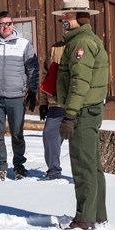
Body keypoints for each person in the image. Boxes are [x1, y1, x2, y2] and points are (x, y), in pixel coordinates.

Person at [53, 0, 109, 230]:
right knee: (92, 164)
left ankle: (85, 219)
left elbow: (79, 82)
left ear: (80, 17)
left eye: (68, 16)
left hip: (83, 111)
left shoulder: (81, 44)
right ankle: (97, 215)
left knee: (83, 165)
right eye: (63, 16)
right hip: (89, 109)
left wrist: (70, 115)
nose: (63, 20)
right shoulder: (83, 40)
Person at [0, 11, 39, 181]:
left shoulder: (24, 45)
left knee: (17, 133)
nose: (6, 27)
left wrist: (32, 91)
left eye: (9, 23)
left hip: (16, 96)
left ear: (13, 25)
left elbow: (32, 69)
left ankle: (19, 167)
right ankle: (1, 166)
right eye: (2, 24)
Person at [38, 39, 66, 181]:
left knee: (80, 142)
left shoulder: (85, 44)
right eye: (63, 24)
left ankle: (84, 175)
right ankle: (54, 171)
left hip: (80, 104)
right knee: (49, 135)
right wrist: (43, 102)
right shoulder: (55, 48)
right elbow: (46, 75)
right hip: (56, 104)